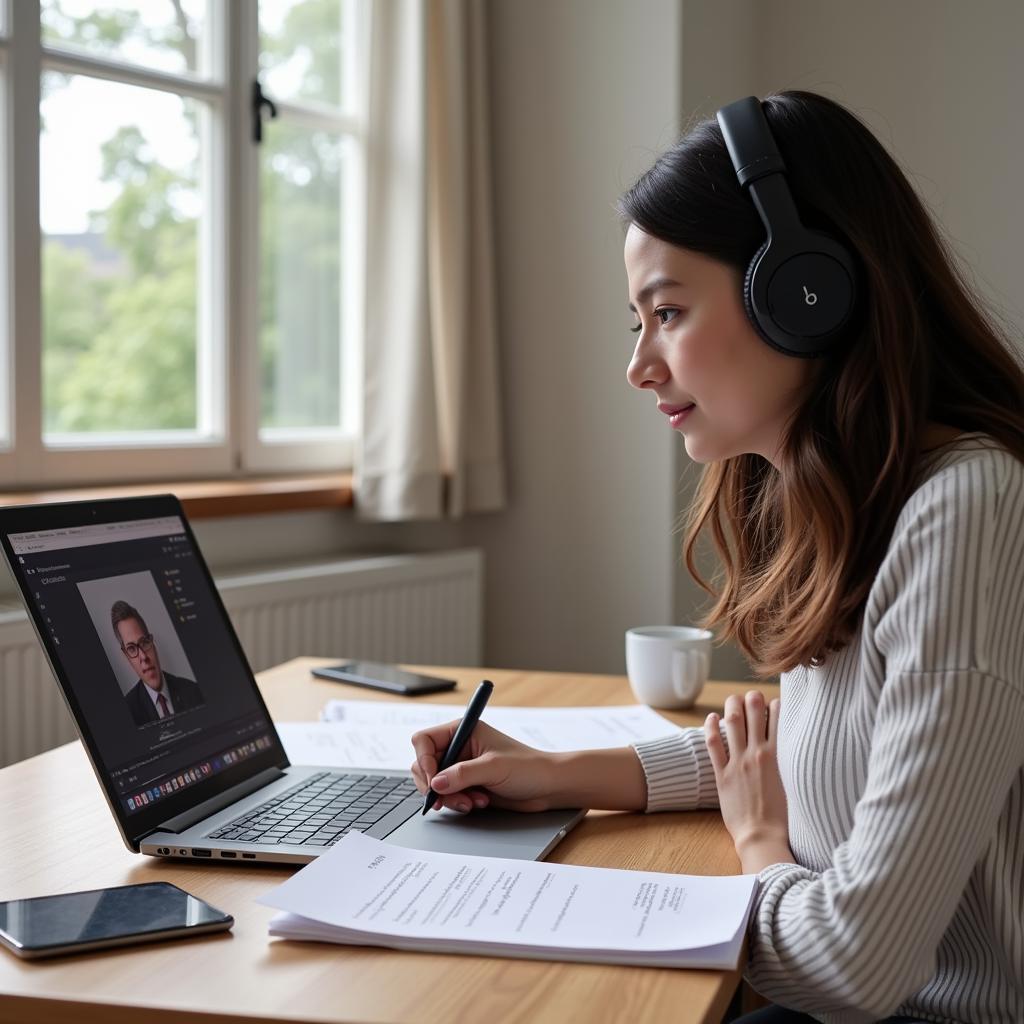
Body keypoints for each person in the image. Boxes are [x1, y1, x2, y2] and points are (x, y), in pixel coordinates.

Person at [410, 91, 1024, 1024]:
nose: (639, 366)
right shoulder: (839, 493)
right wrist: (556, 772)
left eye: (667, 312)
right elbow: (812, 753)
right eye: (637, 322)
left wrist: (759, 840)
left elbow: (858, 968)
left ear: (803, 294)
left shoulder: (969, 509)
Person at [112, 600, 205, 726]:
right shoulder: (127, 712)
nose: (143, 657)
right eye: (132, 649)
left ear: (152, 642)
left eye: (144, 642)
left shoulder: (193, 691)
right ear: (126, 656)